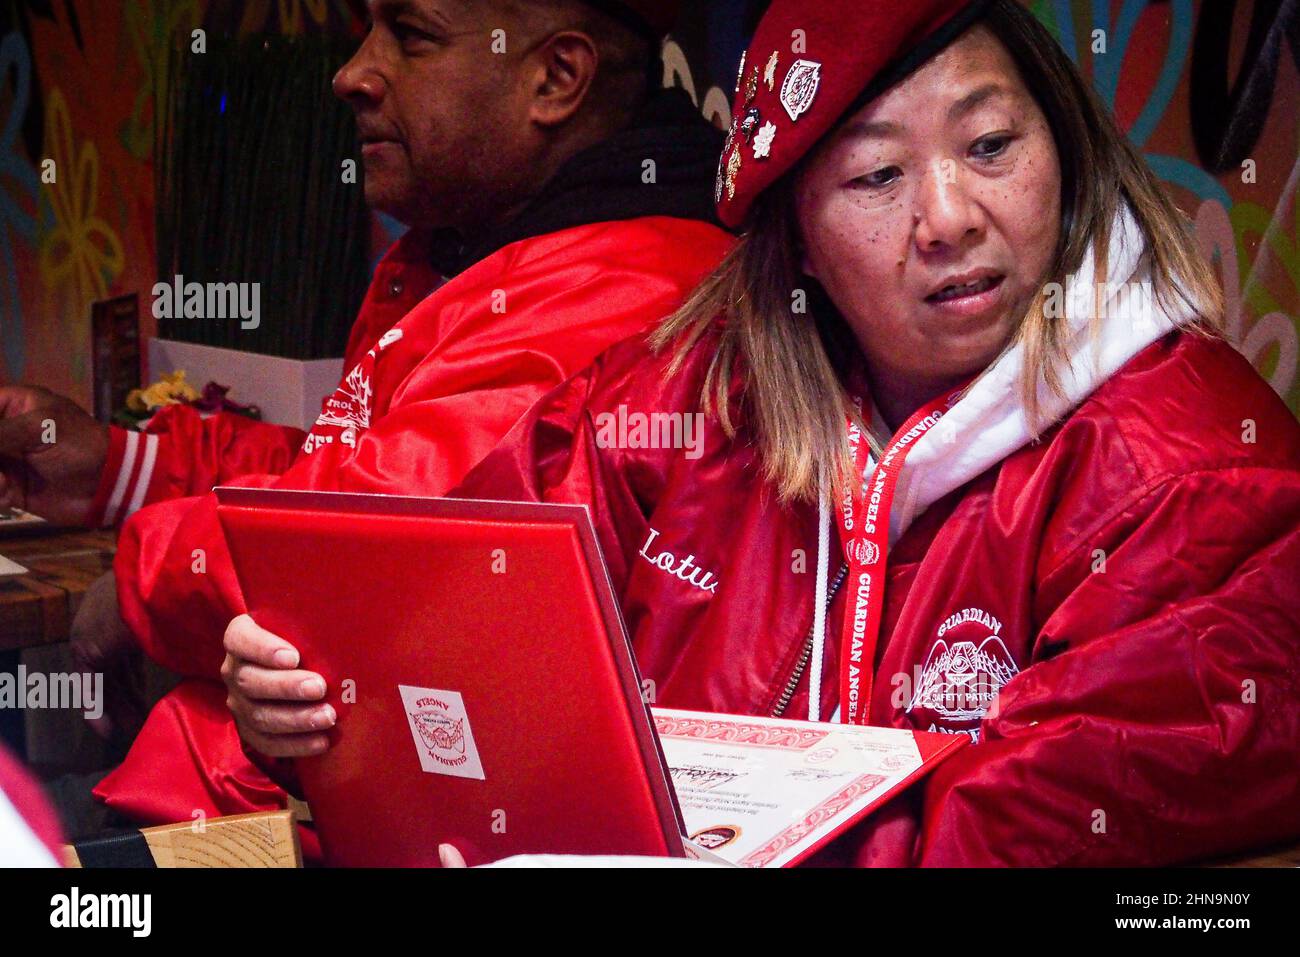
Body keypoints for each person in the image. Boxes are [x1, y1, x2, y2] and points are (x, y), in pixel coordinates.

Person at [223, 0, 1300, 867]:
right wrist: (322, 714)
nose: (951, 217)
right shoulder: (674, 407)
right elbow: (452, 643)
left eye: (989, 144)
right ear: (799, 241)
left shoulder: (1194, 473)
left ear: (1062, 157)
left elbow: (1017, 828)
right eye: (877, 175)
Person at [0, 0, 733, 837]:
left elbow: (350, 539)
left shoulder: (622, 286)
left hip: (328, 826)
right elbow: (339, 462)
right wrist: (116, 467)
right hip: (251, 796)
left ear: (556, 78)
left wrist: (135, 583)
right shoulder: (481, 246)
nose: (352, 74)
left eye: (410, 37)